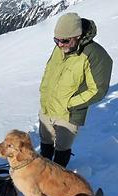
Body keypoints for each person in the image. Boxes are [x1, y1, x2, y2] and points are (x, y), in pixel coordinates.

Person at [39, 13, 112, 168]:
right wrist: (44, 92)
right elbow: (50, 71)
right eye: (56, 40)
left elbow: (98, 90)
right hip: (48, 106)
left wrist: (69, 103)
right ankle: (43, 172)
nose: (59, 45)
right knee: (45, 142)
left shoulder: (95, 55)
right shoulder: (62, 46)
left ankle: (58, 175)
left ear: (78, 36)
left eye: (64, 40)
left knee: (61, 148)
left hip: (68, 113)